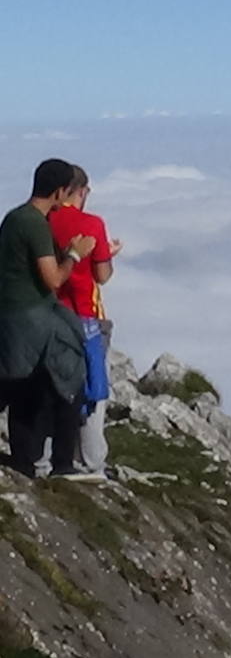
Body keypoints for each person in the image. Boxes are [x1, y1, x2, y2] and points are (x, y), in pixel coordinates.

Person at [0, 159, 95, 479]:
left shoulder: (15, 218)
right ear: (59, 191)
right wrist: (75, 254)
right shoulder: (35, 224)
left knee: (25, 384)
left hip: (13, 313)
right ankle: (62, 463)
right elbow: (53, 279)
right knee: (69, 372)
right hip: (32, 314)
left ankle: (25, 459)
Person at [47, 165, 119, 479]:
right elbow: (102, 275)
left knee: (51, 386)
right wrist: (108, 254)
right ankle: (92, 462)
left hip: (49, 313)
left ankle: (47, 455)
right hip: (86, 315)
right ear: (81, 190)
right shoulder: (92, 223)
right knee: (93, 389)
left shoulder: (43, 221)